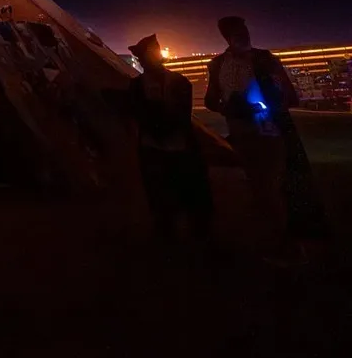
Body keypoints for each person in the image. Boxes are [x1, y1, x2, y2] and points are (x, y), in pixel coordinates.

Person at [203, 16, 329, 258]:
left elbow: (290, 96)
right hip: (243, 135)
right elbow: (211, 100)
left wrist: (267, 105)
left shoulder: (265, 59)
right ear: (226, 36)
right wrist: (231, 108)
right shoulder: (218, 65)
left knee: (273, 187)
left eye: (244, 30)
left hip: (271, 132)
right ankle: (280, 241)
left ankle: (287, 243)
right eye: (236, 32)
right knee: (261, 188)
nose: (243, 35)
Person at [124, 36, 212, 239]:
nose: (143, 61)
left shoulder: (178, 82)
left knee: (185, 192)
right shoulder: (138, 85)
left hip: (174, 147)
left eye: (144, 56)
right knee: (161, 195)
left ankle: (194, 232)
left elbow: (181, 115)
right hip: (155, 148)